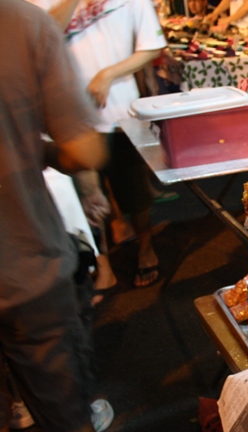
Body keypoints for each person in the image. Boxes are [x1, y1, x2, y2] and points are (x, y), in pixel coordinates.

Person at [0, 1, 110, 432]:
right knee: (69, 426)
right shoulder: (21, 25)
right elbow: (84, 148)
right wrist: (38, 149)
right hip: (25, 268)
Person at [34, 0, 168, 288]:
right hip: (67, 118)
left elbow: (152, 45)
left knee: (135, 193)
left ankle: (146, 248)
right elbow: (41, 37)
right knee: (88, 198)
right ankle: (102, 264)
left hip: (120, 113)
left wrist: (109, 74)